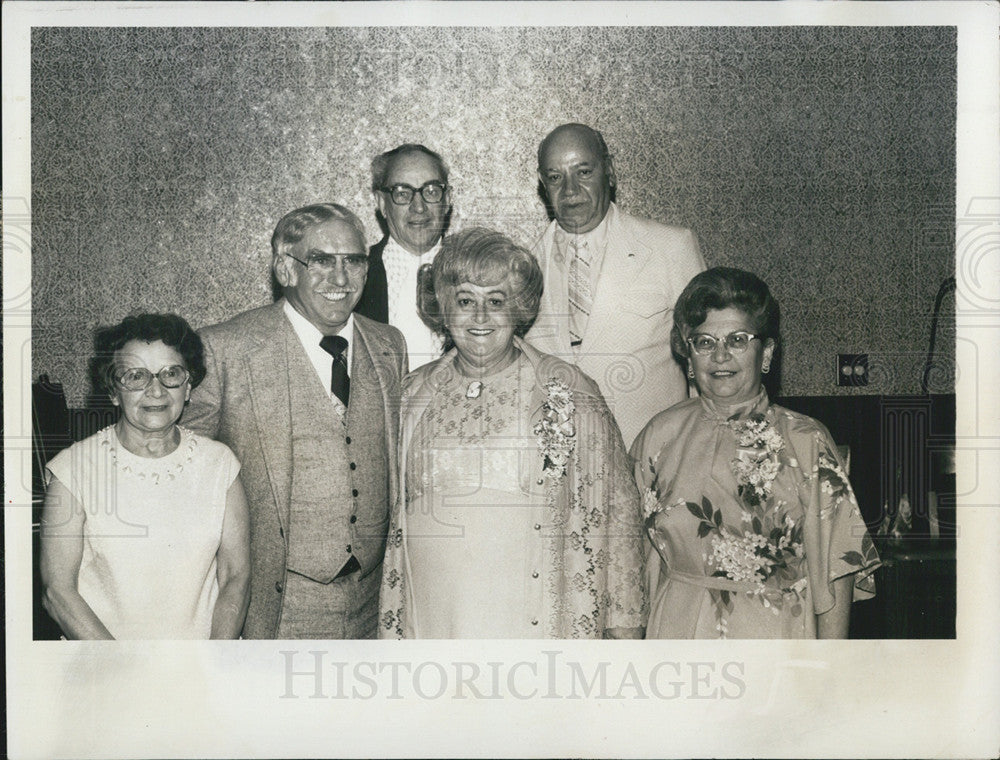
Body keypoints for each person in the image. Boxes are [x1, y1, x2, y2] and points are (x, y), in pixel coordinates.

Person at [379, 227, 646, 639]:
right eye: (465, 301)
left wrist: (624, 631)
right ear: (444, 308)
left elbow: (618, 515)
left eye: (496, 301)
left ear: (518, 307)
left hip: (530, 626)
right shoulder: (413, 393)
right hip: (433, 625)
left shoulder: (568, 390)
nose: (480, 317)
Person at [184, 203, 407, 639]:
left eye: (354, 262)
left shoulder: (388, 344)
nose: (341, 279)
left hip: (374, 604)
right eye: (322, 261)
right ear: (286, 268)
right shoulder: (224, 350)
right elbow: (187, 484)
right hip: (277, 605)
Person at [631, 267, 880, 638]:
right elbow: (634, 560)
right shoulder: (658, 436)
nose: (720, 356)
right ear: (688, 355)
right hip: (677, 634)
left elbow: (836, 570)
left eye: (737, 340)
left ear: (766, 352)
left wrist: (830, 674)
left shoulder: (805, 440)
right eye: (704, 342)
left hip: (774, 638)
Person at [39, 313, 250, 639]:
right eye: (136, 376)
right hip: (104, 672)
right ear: (113, 391)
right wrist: (126, 673)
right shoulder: (72, 471)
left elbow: (236, 577)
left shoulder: (220, 466)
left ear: (188, 386)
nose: (156, 391)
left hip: (198, 673)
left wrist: (215, 662)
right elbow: (58, 592)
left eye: (171, 374)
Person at [526, 123, 706, 447]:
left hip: (655, 462)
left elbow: (705, 360)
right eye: (555, 177)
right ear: (542, 184)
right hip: (556, 472)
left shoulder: (671, 248)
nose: (570, 190)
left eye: (583, 171)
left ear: (609, 170)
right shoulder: (521, 269)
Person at [355, 143, 452, 369]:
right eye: (402, 193)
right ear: (382, 203)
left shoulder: (477, 274)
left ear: (447, 199)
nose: (418, 207)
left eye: (431, 191)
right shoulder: (353, 277)